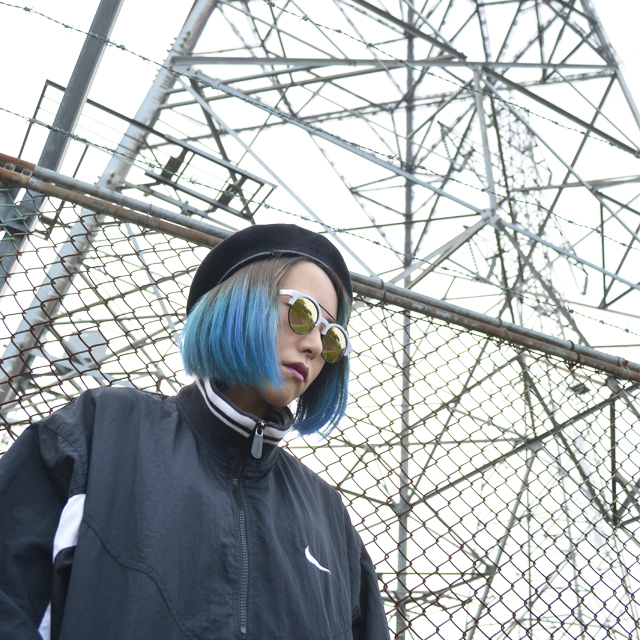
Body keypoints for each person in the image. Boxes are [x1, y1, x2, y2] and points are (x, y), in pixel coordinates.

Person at [0, 224, 389, 640]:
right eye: (303, 313)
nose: (314, 345)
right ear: (239, 302)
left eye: (331, 336)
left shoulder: (329, 518)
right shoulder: (104, 430)